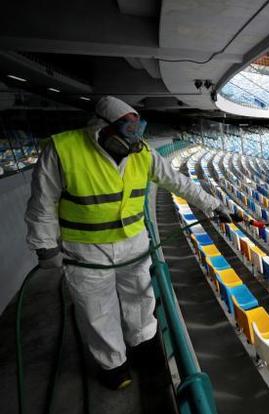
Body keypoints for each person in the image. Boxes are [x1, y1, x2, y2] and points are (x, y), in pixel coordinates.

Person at [24, 96, 234, 390]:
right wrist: (45, 246)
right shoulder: (63, 150)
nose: (134, 140)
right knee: (97, 309)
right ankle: (114, 365)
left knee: (141, 298)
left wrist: (213, 205)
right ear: (102, 127)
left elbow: (177, 181)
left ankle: (144, 348)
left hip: (133, 246)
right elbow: (42, 204)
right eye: (127, 132)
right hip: (85, 252)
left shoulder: (144, 153)